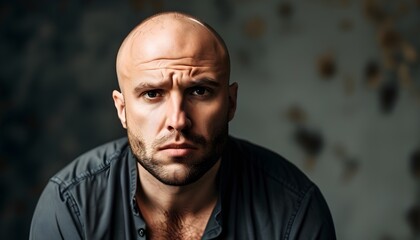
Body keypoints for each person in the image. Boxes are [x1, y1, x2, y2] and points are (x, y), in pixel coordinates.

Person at [30, 12, 336, 239]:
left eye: (199, 91)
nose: (178, 120)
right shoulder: (72, 205)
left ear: (230, 103)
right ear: (122, 109)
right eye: (152, 94)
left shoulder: (293, 209)